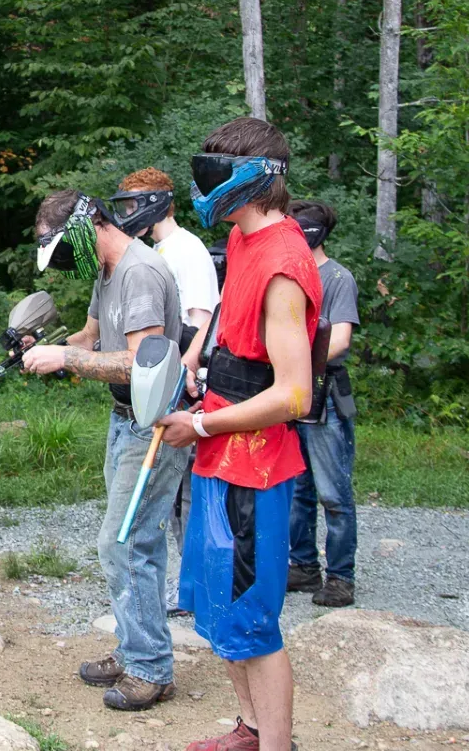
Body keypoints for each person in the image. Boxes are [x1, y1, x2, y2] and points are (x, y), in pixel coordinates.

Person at [155, 117, 320, 751]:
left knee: (251, 617)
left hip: (254, 467)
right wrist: (194, 363)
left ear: (252, 179)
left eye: (215, 172)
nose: (204, 187)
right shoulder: (244, 239)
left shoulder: (284, 262)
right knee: (218, 604)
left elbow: (294, 394)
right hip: (219, 455)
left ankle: (275, 744)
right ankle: (250, 730)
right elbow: (229, 322)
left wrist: (199, 423)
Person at [23, 186, 187, 711]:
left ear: (90, 225)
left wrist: (65, 360)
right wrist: (43, 348)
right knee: (131, 542)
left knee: (124, 542)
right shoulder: (107, 270)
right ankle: (134, 647)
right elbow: (92, 339)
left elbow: (142, 361)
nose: (65, 262)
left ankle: (151, 669)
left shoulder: (140, 272)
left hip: (153, 424)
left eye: (64, 249)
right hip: (125, 420)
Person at [135, 165, 222, 614]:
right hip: (168, 381)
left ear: (160, 205)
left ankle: (197, 588)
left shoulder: (187, 250)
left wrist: (184, 375)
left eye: (137, 203)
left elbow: (202, 321)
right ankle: (188, 583)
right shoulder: (158, 250)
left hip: (189, 384)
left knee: (188, 491)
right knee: (171, 493)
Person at [284, 200, 361, 608]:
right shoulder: (290, 277)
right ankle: (303, 566)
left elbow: (341, 339)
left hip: (325, 397)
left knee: (333, 493)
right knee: (299, 490)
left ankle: (341, 577)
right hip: (294, 396)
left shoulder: (338, 278)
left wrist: (295, 360)